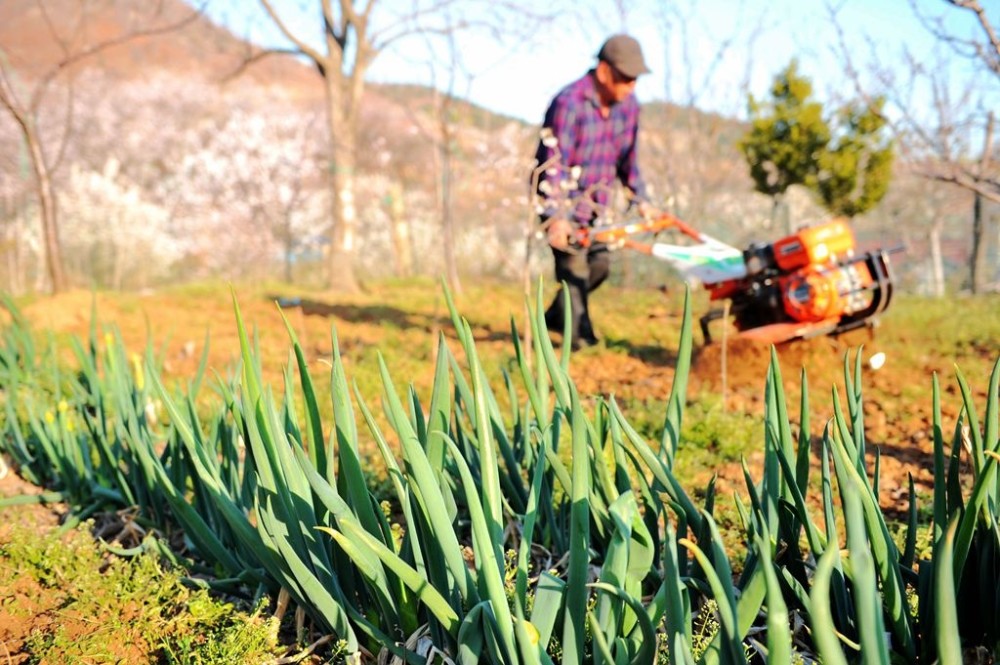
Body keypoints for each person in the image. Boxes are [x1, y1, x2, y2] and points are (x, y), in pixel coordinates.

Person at [533, 33, 656, 349]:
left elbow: (629, 159)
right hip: (565, 203)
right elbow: (553, 162)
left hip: (599, 209)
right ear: (604, 71)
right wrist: (557, 216)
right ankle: (580, 341)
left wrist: (640, 199)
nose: (631, 86)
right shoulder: (569, 103)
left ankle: (552, 317)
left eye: (634, 80)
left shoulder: (629, 108)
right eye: (625, 78)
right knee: (574, 269)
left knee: (598, 267)